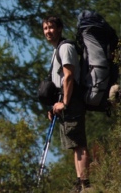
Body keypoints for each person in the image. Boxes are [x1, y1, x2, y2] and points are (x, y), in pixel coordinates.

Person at [42, 15, 91, 193]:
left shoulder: (66, 48)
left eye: (51, 27)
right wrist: (53, 106)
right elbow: (58, 81)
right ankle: (80, 182)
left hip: (72, 101)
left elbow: (69, 76)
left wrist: (64, 102)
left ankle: (85, 184)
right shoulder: (56, 51)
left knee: (78, 142)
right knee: (73, 143)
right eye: (46, 28)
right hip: (64, 103)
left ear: (60, 29)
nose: (48, 31)